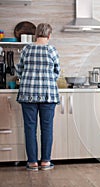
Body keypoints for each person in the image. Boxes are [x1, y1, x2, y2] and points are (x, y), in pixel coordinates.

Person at [16, 23, 60, 171]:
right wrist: (46, 79)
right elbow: (57, 72)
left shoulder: (26, 49)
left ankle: (32, 162)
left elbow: (19, 70)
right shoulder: (52, 50)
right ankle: (46, 161)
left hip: (28, 94)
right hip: (48, 94)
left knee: (30, 128)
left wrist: (30, 78)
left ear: (35, 35)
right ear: (49, 36)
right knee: (47, 128)